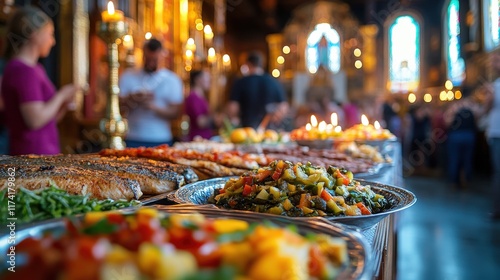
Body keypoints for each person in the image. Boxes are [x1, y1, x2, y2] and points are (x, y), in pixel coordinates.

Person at [1, 6, 77, 155]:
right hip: (31, 155)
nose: (53, 41)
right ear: (35, 34)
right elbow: (34, 120)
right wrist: (61, 95)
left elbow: (46, 120)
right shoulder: (22, 70)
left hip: (43, 152)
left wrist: (62, 105)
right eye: (50, 34)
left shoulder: (35, 69)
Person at [119, 38, 183, 147]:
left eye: (154, 60)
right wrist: (132, 98)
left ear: (162, 56)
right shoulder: (128, 76)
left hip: (160, 138)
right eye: (147, 59)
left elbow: (176, 113)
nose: (150, 64)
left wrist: (152, 107)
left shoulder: (172, 80)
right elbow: (118, 107)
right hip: (133, 136)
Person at [227, 51, 288, 130]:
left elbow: (233, 108)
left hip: (247, 132)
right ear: (262, 64)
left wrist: (233, 120)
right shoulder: (273, 82)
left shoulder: (241, 82)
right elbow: (284, 107)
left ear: (248, 64)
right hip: (269, 133)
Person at [443, 86, 485, 189]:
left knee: (454, 159)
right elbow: (478, 120)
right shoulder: (473, 106)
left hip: (455, 136)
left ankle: (454, 182)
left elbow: (447, 122)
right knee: (468, 159)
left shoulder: (455, 106)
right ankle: (467, 181)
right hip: (469, 135)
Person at [488, 52, 500, 219]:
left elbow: (486, 108)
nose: (493, 65)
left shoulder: (495, 86)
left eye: (496, 61)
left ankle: (497, 210)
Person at [184, 69, 213, 140]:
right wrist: (216, 119)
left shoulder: (201, 96)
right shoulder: (193, 98)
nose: (209, 81)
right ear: (197, 80)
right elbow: (200, 121)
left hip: (204, 138)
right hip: (198, 138)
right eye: (206, 78)